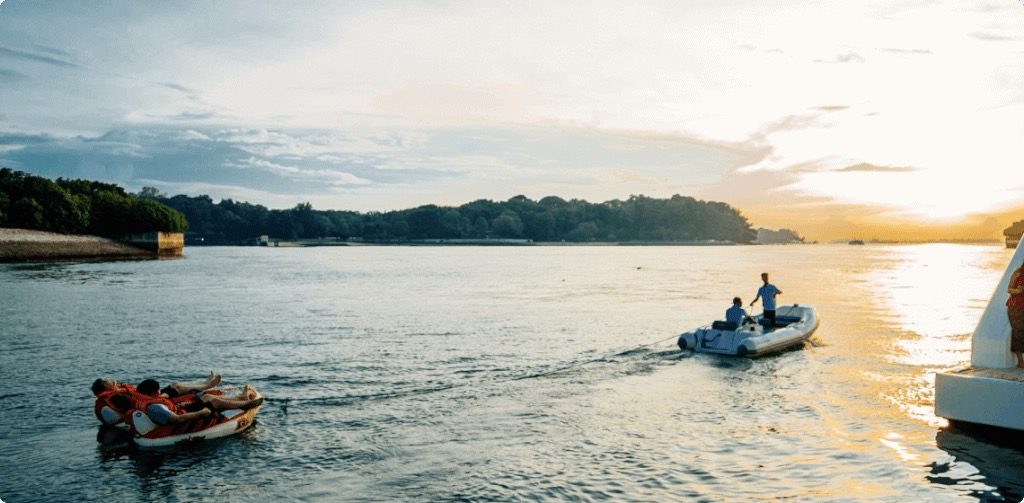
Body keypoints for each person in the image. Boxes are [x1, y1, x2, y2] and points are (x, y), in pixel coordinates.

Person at [90, 373, 221, 425]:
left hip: (148, 398)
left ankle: (206, 384)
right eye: (106, 380)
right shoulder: (113, 397)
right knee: (175, 389)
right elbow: (127, 410)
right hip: (148, 402)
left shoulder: (119, 390)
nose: (110, 379)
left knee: (175, 385)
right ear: (104, 386)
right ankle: (207, 386)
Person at [1008, 261, 1024, 368]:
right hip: (1015, 307)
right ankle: (1020, 361)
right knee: (1018, 331)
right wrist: (1018, 291)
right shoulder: (1018, 273)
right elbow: (1009, 289)